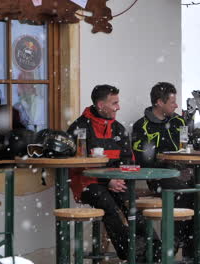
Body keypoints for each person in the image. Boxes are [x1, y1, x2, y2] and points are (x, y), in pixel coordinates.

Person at [67, 84, 160, 261]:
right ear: (100, 105)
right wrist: (106, 181)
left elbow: (128, 159)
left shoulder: (118, 128)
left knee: (131, 206)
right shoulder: (79, 128)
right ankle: (131, 252)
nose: (119, 107)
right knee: (108, 205)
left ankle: (155, 252)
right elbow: (77, 165)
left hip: (116, 182)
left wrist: (118, 178)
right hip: (87, 184)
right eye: (114, 103)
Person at [132, 82, 194, 257]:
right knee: (183, 192)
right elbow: (144, 161)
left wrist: (185, 166)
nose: (176, 106)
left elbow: (188, 147)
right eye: (172, 102)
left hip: (182, 173)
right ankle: (172, 245)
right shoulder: (142, 126)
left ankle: (192, 250)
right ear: (159, 102)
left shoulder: (179, 121)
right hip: (157, 176)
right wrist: (169, 166)